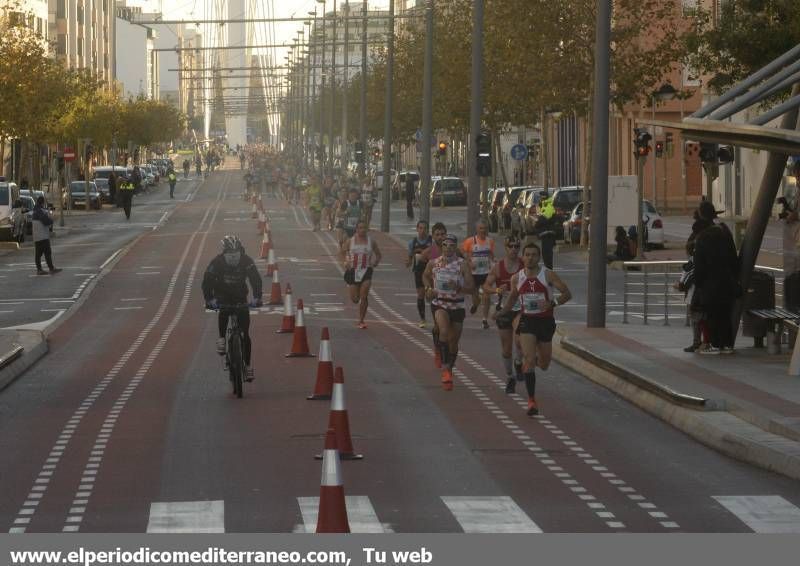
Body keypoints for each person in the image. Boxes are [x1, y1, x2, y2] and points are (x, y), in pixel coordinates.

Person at [499, 242, 572, 416]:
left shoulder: (547, 274)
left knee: (545, 364)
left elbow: (567, 293)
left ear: (538, 257)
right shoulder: (517, 278)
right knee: (530, 360)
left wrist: (552, 303)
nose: (530, 258)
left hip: (545, 322)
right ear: (522, 257)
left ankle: (529, 363)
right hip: (527, 321)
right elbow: (512, 299)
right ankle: (532, 401)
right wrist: (501, 313)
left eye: (534, 255)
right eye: (527, 255)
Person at [202, 236, 263, 381]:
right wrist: (209, 299)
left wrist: (257, 297)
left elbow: (256, 279)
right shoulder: (216, 262)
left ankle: (247, 366)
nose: (233, 256)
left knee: (246, 334)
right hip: (222, 296)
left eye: (235, 253)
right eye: (229, 253)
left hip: (240, 297)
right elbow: (207, 281)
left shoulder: (246, 261)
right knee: (224, 310)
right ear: (224, 252)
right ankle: (222, 338)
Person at [423, 233, 475, 390]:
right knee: (444, 330)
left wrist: (459, 288)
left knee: (453, 342)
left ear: (456, 247)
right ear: (442, 247)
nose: (448, 248)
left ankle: (449, 368)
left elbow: (471, 287)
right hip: (440, 304)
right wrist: (428, 288)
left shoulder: (462, 264)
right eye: (445, 245)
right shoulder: (434, 263)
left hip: (457, 306)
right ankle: (445, 370)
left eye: (452, 245)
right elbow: (425, 276)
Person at [692, 201, 739, 354]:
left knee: (711, 314)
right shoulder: (724, 231)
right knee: (725, 314)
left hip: (709, 285)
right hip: (727, 281)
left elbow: (699, 266)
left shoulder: (702, 238)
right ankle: (726, 344)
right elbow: (733, 257)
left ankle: (713, 344)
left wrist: (698, 284)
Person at [484, 236, 525, 393]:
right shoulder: (498, 267)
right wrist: (496, 290)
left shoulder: (524, 265)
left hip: (520, 308)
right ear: (506, 247)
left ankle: (518, 361)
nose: (514, 249)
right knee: (506, 348)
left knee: (520, 339)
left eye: (517, 246)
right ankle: (510, 376)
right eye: (511, 246)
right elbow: (486, 286)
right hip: (503, 309)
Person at [340, 220, 382, 329]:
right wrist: (345, 262)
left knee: (364, 296)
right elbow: (342, 251)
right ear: (356, 229)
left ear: (367, 229)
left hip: (366, 270)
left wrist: (375, 263)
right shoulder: (350, 241)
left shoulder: (371, 241)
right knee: (355, 299)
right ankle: (357, 291)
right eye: (360, 228)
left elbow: (378, 255)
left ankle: (361, 320)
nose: (362, 230)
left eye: (364, 228)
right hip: (353, 271)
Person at [462, 219, 495, 329]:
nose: (483, 230)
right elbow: (464, 254)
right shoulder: (470, 241)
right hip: (474, 273)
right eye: (481, 228)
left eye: (485, 228)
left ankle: (484, 319)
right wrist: (469, 263)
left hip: (486, 273)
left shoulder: (490, 241)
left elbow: (491, 254)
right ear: (477, 229)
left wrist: (493, 263)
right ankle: (475, 304)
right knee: (475, 297)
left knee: (487, 295)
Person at [407, 221, 432, 328]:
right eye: (420, 228)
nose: (422, 230)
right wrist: (408, 261)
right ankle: (422, 319)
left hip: (431, 271)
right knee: (421, 295)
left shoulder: (432, 241)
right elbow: (409, 258)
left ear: (427, 229)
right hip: (418, 270)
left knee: (430, 295)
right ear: (417, 229)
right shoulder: (412, 242)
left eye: (424, 228)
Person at [32, 196, 61, 275]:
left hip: (37, 236)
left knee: (38, 254)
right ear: (42, 203)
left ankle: (39, 269)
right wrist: (52, 219)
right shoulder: (40, 211)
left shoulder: (35, 211)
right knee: (47, 252)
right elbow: (46, 221)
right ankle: (51, 268)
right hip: (43, 236)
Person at [533, 192, 557, 268]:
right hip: (545, 234)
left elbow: (544, 218)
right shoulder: (544, 205)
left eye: (540, 197)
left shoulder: (548, 206)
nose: (539, 199)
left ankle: (549, 272)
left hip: (548, 234)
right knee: (545, 255)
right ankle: (548, 270)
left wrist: (537, 223)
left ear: (543, 197)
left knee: (547, 255)